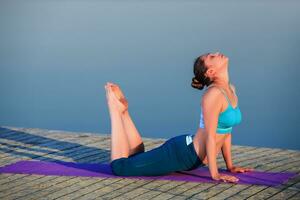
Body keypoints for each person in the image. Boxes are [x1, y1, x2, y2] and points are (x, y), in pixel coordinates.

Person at [105, 52, 253, 183]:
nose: (217, 53)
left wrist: (230, 166)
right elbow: (210, 136)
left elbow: (226, 131)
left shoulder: (230, 90)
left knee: (137, 155)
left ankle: (124, 112)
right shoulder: (213, 95)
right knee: (120, 167)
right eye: (212, 56)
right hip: (182, 154)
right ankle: (114, 108)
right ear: (211, 71)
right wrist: (215, 174)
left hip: (191, 154)